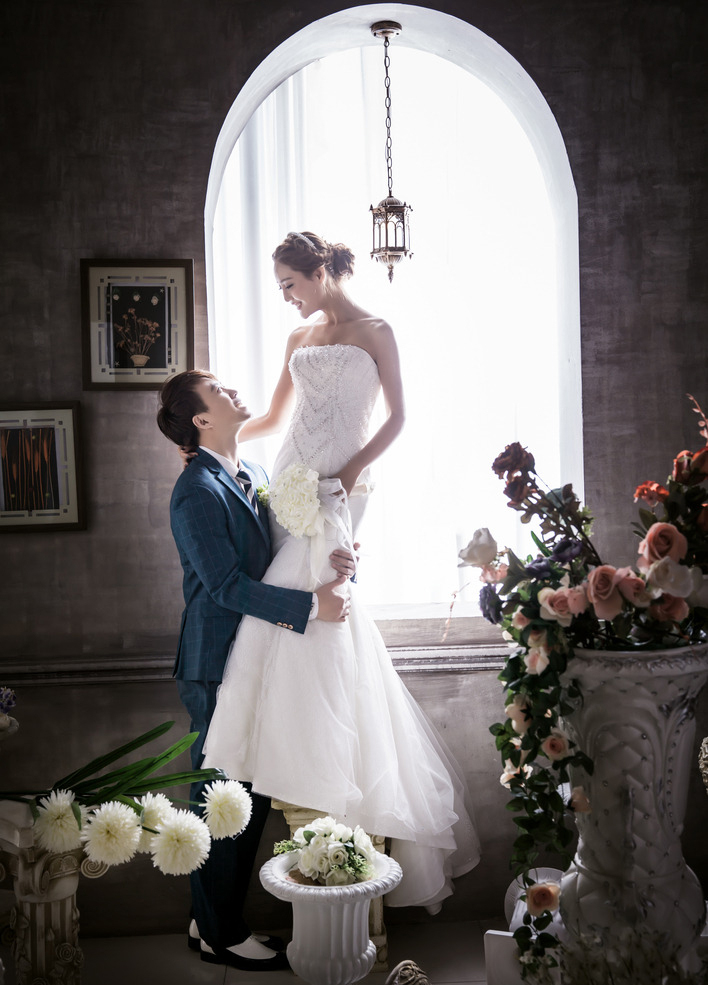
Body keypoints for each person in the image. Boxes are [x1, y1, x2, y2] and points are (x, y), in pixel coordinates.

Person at [202, 231, 480, 910]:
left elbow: (400, 417)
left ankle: (325, 755)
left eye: (290, 284)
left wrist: (351, 473)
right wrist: (213, 442)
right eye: (280, 288)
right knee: (303, 600)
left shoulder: (376, 331)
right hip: (291, 483)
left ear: (320, 269)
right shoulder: (298, 340)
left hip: (338, 489)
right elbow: (275, 416)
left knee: (328, 599)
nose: (286, 297)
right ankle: (294, 744)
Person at [157, 369, 356, 971]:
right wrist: (311, 607)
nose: (232, 390)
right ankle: (222, 933)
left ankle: (206, 921)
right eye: (218, 390)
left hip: (258, 653)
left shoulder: (256, 475)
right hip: (215, 660)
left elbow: (277, 558)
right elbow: (223, 585)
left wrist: (331, 557)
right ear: (201, 418)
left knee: (243, 795)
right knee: (225, 800)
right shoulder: (195, 490)